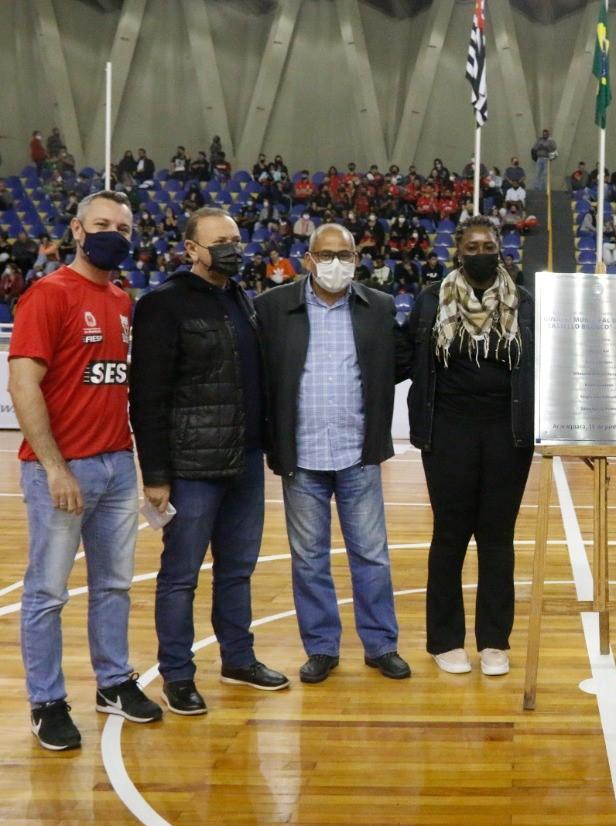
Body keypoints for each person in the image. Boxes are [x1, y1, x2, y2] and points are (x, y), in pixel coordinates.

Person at [10, 191, 163, 750]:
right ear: (77, 229)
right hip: (62, 469)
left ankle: (113, 681)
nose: (114, 235)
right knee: (48, 592)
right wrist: (55, 467)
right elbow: (23, 385)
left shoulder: (124, 301)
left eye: (123, 227)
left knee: (115, 585)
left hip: (117, 464)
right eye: (102, 224)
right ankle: (47, 701)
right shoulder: (47, 295)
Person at [131, 206, 289, 716]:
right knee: (180, 577)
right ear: (192, 249)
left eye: (236, 239)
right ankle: (177, 675)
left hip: (244, 461)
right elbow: (147, 395)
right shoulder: (163, 304)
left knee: (237, 572)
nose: (231, 248)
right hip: (192, 468)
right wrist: (155, 474)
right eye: (219, 240)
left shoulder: (242, 300)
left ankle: (238, 659)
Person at [255, 223, 410, 684]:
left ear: (357, 260)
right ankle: (322, 647)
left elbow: (396, 366)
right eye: (325, 255)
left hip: (357, 452)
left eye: (344, 255)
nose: (334, 264)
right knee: (308, 559)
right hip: (300, 456)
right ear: (307, 259)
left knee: (372, 555)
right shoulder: (273, 307)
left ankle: (381, 645)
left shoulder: (377, 308)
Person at [402, 217, 533, 676]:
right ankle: (445, 640)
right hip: (447, 433)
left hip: (507, 433)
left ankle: (495, 641)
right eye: (472, 245)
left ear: (501, 250)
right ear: (458, 250)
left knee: (498, 538)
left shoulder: (527, 303)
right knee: (450, 535)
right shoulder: (428, 301)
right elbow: (401, 358)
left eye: (489, 245)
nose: (481, 252)